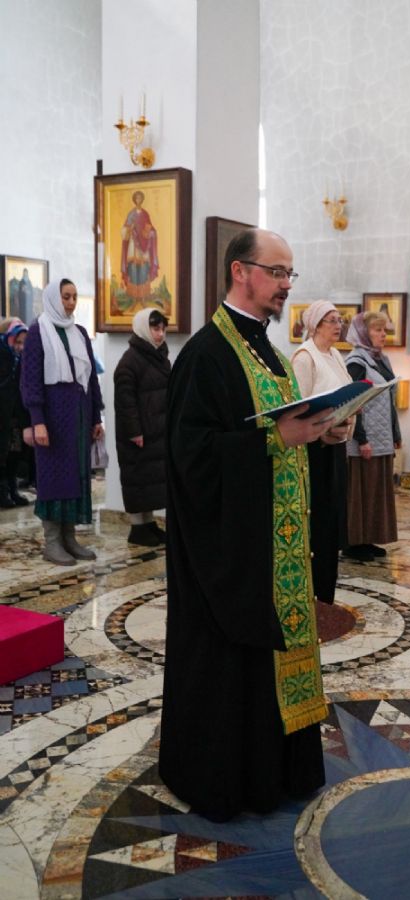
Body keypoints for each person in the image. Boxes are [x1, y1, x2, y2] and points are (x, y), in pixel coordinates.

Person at [159, 228, 333, 822]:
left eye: (289, 274)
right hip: (231, 553)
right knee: (230, 665)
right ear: (240, 271)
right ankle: (229, 779)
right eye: (277, 272)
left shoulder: (271, 352)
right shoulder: (205, 355)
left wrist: (321, 431)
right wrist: (274, 438)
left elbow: (285, 432)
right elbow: (190, 457)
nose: (286, 284)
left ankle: (279, 771)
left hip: (274, 545)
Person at [20, 279, 104, 565]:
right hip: (53, 420)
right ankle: (53, 542)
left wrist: (96, 416)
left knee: (75, 477)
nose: (70, 302)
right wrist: (37, 421)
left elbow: (90, 379)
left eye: (74, 297)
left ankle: (70, 538)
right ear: (54, 298)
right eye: (66, 297)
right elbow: (30, 381)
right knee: (53, 478)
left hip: (79, 418)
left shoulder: (79, 332)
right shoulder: (38, 332)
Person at [291, 300, 353, 602]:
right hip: (314, 453)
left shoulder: (335, 355)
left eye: (340, 320)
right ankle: (312, 596)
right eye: (332, 320)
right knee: (318, 524)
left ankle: (326, 596)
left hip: (336, 449)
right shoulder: (305, 357)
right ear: (315, 325)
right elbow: (298, 412)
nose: (338, 325)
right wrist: (324, 432)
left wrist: (349, 419)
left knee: (333, 523)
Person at [343, 311, 401, 562]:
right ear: (364, 333)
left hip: (382, 437)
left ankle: (369, 538)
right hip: (364, 440)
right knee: (361, 491)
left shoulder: (381, 360)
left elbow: (389, 398)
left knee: (376, 490)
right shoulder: (356, 362)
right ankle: (354, 543)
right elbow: (353, 403)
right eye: (378, 330)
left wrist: (395, 433)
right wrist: (361, 438)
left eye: (384, 330)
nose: (383, 335)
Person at [114, 308, 170, 547]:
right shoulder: (130, 361)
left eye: (163, 329)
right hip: (139, 434)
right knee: (137, 481)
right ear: (143, 329)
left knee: (151, 482)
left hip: (156, 431)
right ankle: (137, 528)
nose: (160, 334)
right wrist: (134, 431)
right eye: (155, 329)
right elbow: (125, 403)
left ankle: (148, 525)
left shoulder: (159, 356)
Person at [0, 318, 30, 508]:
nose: (20, 347)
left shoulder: (21, 359)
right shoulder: (4, 355)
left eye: (23, 343)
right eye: (17, 342)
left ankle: (12, 489)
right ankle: (3, 492)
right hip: (2, 413)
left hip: (15, 414)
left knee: (14, 453)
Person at [121, 190, 159, 304]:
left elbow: (151, 228)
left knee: (143, 268)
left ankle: (143, 296)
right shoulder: (131, 214)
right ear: (134, 200)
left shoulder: (145, 214)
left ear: (142, 199)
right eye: (136, 198)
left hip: (144, 246)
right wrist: (130, 228)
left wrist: (151, 232)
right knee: (133, 268)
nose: (138, 200)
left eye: (140, 198)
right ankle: (133, 297)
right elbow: (124, 231)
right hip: (133, 245)